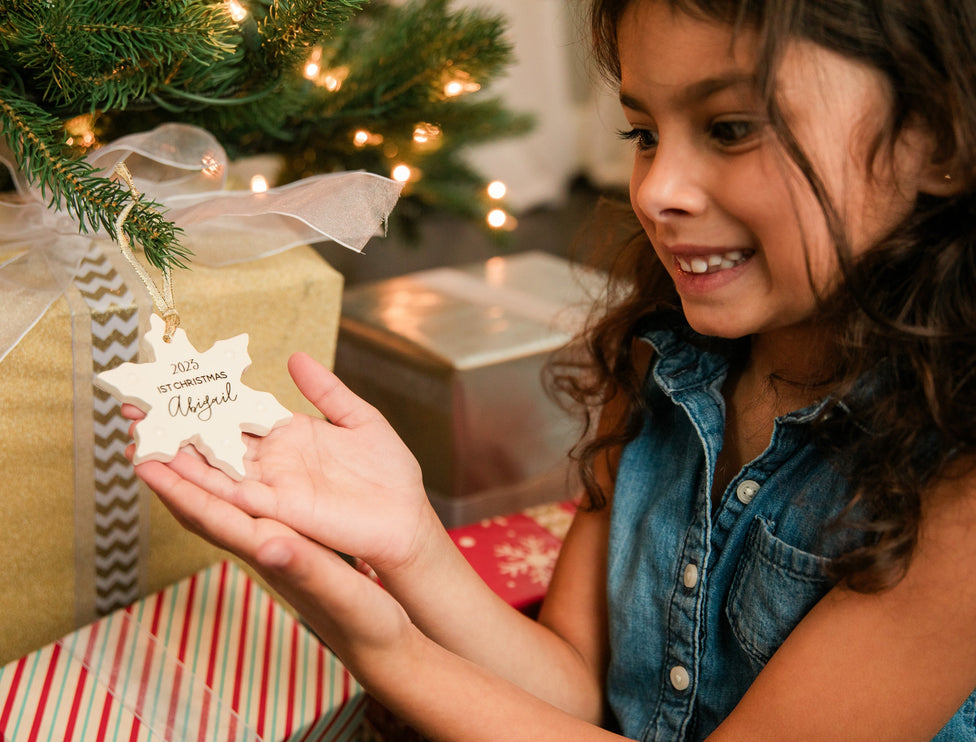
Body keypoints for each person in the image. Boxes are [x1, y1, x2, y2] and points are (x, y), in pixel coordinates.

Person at [125, 0, 976, 738]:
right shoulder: (661, 364)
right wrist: (412, 541)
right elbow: (571, 689)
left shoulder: (959, 494)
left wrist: (384, 647)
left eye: (729, 128)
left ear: (937, 139)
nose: (657, 190)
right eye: (642, 133)